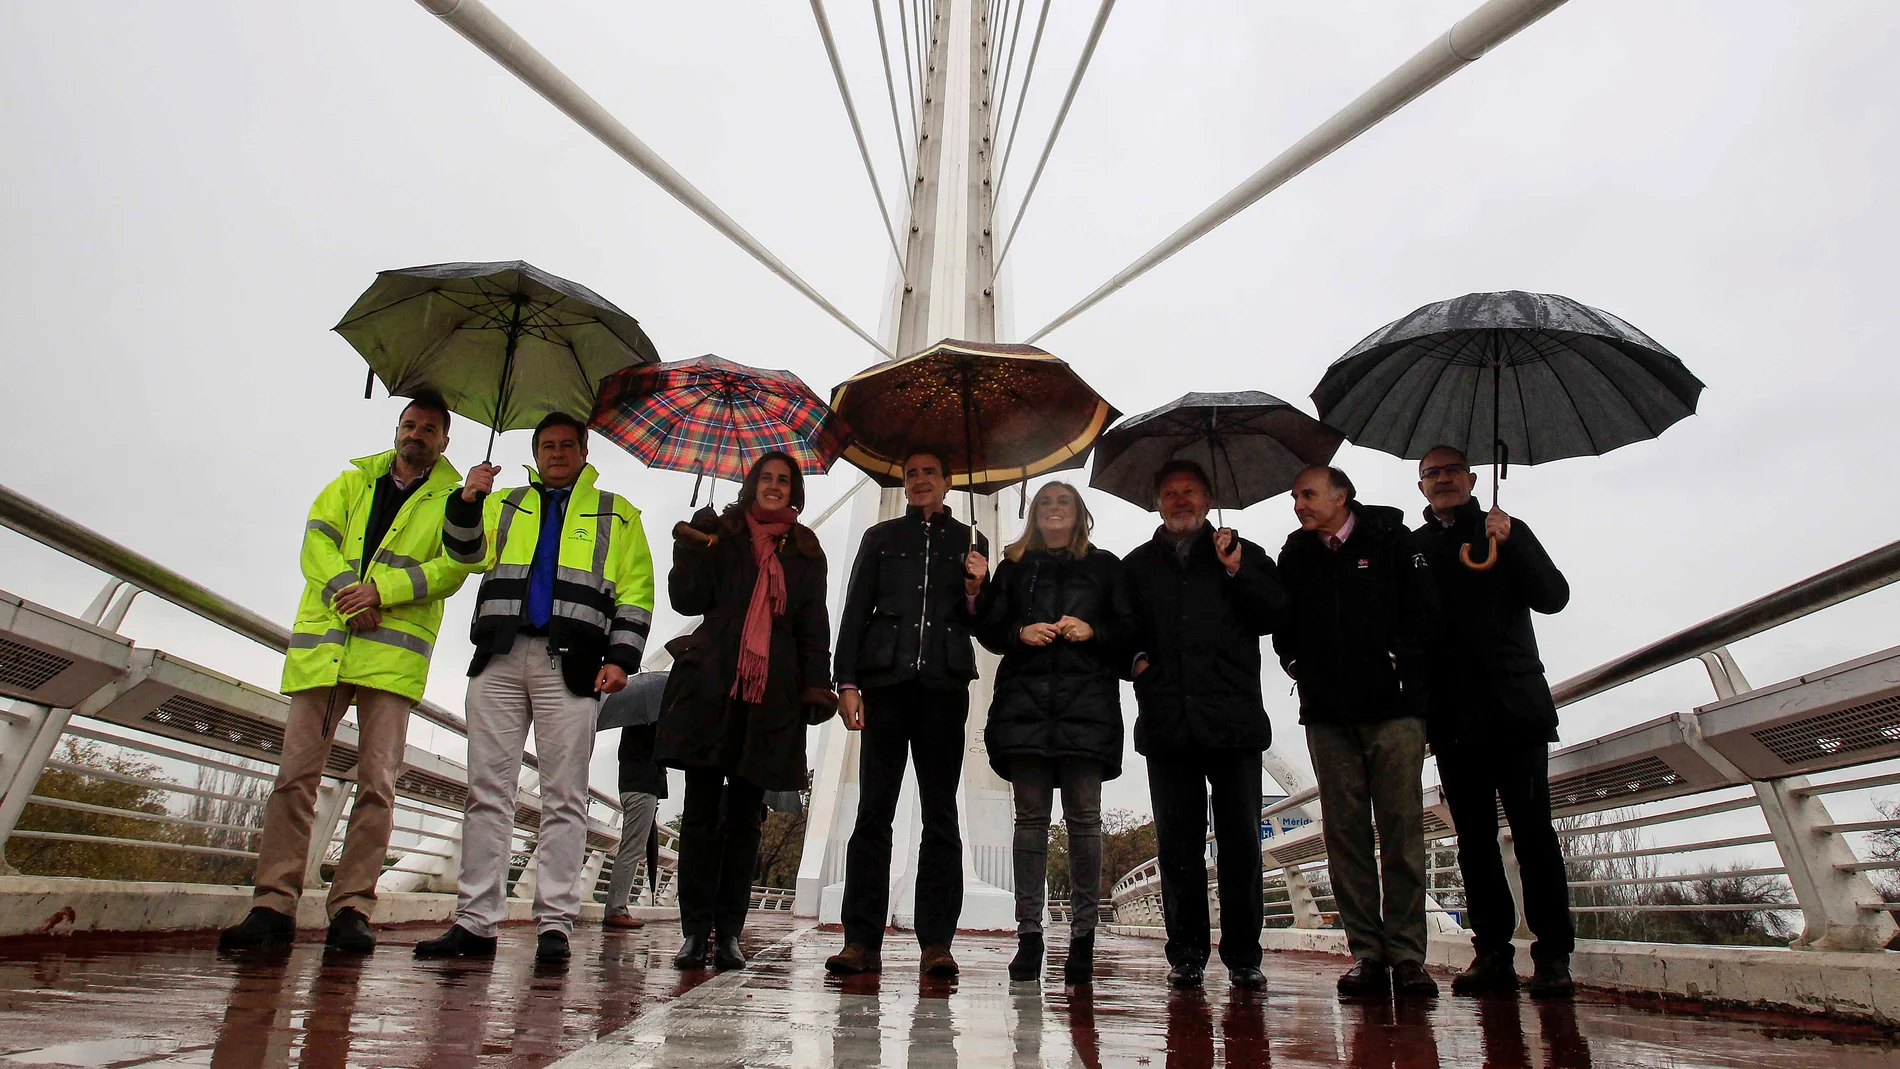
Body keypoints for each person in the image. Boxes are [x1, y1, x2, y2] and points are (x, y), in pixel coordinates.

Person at [220, 391, 468, 954]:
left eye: (429, 429)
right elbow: (317, 546)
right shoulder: (349, 484)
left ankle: (352, 907)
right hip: (326, 649)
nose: (416, 435)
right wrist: (348, 596)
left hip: (390, 659)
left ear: (445, 440)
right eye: (410, 425)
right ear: (396, 429)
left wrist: (383, 591)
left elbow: (457, 565)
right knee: (294, 777)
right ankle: (272, 905)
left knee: (377, 786)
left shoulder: (455, 499)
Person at [415, 412, 655, 965]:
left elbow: (636, 592)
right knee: (487, 791)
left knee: (563, 796)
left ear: (584, 451)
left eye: (566, 445)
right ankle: (475, 921)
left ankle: (555, 925)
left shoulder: (617, 514)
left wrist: (622, 658)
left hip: (571, 663)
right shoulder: (504, 502)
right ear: (535, 452)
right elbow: (465, 553)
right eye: (547, 446)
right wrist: (467, 499)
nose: (556, 453)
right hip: (500, 655)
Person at [654, 451, 836, 971]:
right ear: (751, 485)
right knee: (702, 812)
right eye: (767, 478)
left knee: (746, 817)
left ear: (794, 492)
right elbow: (688, 600)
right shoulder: (723, 534)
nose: (774, 486)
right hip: (713, 680)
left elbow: (812, 626)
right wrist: (690, 548)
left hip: (772, 691)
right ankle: (694, 932)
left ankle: (729, 931)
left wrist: (815, 687)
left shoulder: (804, 550)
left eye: (784, 480)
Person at [1115, 459, 1287, 990]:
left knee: (1240, 844)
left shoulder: (1242, 553)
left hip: (1233, 721)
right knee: (1178, 844)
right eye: (1170, 492)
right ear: (1157, 503)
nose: (1180, 500)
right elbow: (1118, 628)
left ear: (1208, 500)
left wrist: (1237, 569)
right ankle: (1186, 952)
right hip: (1168, 721)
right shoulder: (1136, 565)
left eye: (1190, 491)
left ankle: (1243, 955)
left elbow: (1275, 615)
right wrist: (1136, 662)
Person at [1412, 445, 1575, 999]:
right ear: (1421, 486)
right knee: (1474, 842)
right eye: (1431, 473)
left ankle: (1553, 955)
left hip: (1514, 707)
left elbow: (1554, 597)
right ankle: (1493, 953)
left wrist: (1515, 544)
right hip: (1454, 717)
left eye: (1451, 471)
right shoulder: (1418, 546)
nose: (1443, 480)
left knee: (1534, 834)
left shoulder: (1506, 529)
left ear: (1473, 477)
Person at [1273, 465, 1439, 998]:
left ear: (1342, 495)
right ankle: (1368, 955)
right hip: (1327, 714)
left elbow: (1425, 611)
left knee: (1401, 829)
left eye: (1307, 494)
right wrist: (1297, 664)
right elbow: (1283, 624)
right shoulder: (1295, 553)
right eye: (1295, 495)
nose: (1298, 504)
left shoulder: (1391, 538)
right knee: (1344, 835)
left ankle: (1409, 957)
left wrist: (1397, 659)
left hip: (1393, 711)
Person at [825, 449, 989, 978]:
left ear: (947, 480)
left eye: (929, 472)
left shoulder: (971, 541)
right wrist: (846, 682)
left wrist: (974, 589)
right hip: (886, 684)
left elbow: (983, 623)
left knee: (941, 815)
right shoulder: (880, 538)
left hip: (943, 686)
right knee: (874, 811)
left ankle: (936, 942)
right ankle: (860, 940)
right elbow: (855, 610)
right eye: (911, 472)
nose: (920, 479)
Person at [968, 481, 1124, 985]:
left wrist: (1093, 630)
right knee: (1030, 821)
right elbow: (989, 628)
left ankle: (1083, 938)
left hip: (1087, 707)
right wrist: (1017, 629)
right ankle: (1029, 935)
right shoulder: (1015, 569)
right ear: (1034, 514)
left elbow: (1131, 631)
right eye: (1046, 503)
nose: (1055, 510)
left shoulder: (1106, 567)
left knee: (1084, 820)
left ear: (1080, 514)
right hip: (1025, 708)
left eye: (1065, 502)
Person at [603, 713, 666, 931]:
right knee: (632, 850)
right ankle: (616, 909)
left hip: (632, 787)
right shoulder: (650, 724)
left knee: (630, 848)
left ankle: (617, 907)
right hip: (642, 789)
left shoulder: (634, 721)